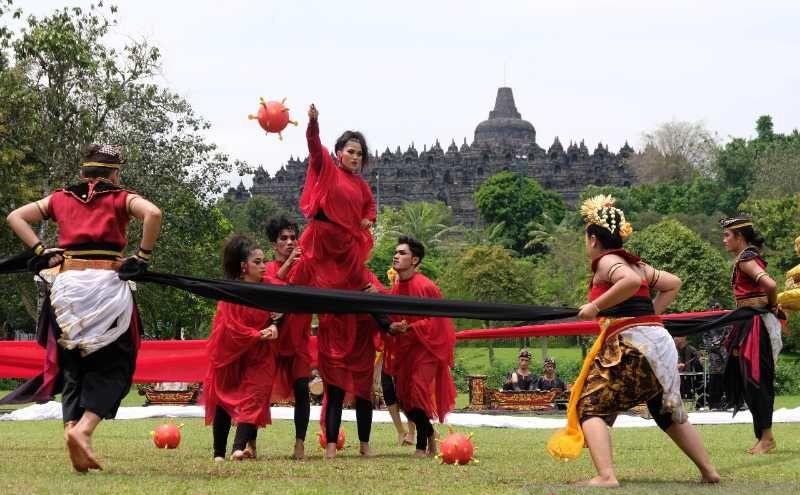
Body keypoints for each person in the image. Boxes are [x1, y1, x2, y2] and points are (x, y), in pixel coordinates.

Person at [3, 144, 162, 472]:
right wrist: (142, 257)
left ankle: (70, 432)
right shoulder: (120, 197)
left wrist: (41, 249)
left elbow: (15, 216)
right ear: (114, 173)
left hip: (66, 290)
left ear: (83, 172)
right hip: (106, 288)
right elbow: (154, 214)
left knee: (73, 367)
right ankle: (84, 430)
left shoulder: (60, 198)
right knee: (116, 365)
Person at [547, 195, 718, 487]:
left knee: (590, 406)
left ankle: (606, 476)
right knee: (665, 412)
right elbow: (672, 283)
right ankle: (709, 472)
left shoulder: (608, 262)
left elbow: (627, 282)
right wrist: (649, 314)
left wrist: (595, 307)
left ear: (592, 239)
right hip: (657, 342)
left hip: (634, 345)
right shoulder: (639, 265)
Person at [289, 104, 378, 459]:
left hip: (348, 252)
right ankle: (285, 310)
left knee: (364, 299)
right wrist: (313, 123)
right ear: (339, 153)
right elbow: (313, 146)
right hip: (322, 242)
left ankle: (389, 323)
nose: (355, 157)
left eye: (359, 153)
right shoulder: (326, 166)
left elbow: (369, 208)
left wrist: (368, 221)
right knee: (303, 287)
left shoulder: (362, 186)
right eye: (350, 151)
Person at [204, 235, 279, 462]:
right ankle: (218, 453)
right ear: (243, 266)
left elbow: (285, 308)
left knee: (255, 395)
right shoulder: (230, 290)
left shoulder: (270, 288)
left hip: (260, 353)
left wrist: (275, 325)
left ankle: (238, 448)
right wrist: (258, 334)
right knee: (224, 399)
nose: (264, 266)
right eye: (257, 262)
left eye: (264, 261)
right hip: (230, 352)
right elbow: (230, 325)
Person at [384, 236, 457, 458]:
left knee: (417, 393)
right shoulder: (396, 288)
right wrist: (396, 327)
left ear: (414, 260)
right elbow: (392, 317)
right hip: (405, 350)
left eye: (402, 253)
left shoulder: (426, 286)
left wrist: (412, 328)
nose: (396, 256)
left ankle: (421, 446)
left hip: (426, 349)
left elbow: (439, 322)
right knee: (404, 398)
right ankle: (429, 433)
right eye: (396, 252)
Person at [720, 216, 784, 454]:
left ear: (740, 237)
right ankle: (763, 436)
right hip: (745, 323)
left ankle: (766, 438)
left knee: (757, 380)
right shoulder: (742, 259)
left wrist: (773, 305)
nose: (724, 239)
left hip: (755, 324)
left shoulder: (747, 258)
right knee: (748, 381)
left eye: (728, 235)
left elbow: (770, 285)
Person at [263, 215, 312, 459]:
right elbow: (273, 287)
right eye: (284, 238)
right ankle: (250, 441)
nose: (290, 242)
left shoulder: (306, 268)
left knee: (302, 389)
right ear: (274, 245)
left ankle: (300, 443)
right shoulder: (267, 269)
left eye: (294, 237)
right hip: (271, 341)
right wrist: (290, 262)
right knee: (260, 390)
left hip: (299, 339)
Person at [675, 336, 704, 403]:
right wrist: (676, 366)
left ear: (684, 338)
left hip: (688, 376)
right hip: (675, 377)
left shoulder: (690, 349)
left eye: (678, 337)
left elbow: (698, 356)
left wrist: (700, 360)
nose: (676, 338)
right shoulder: (672, 349)